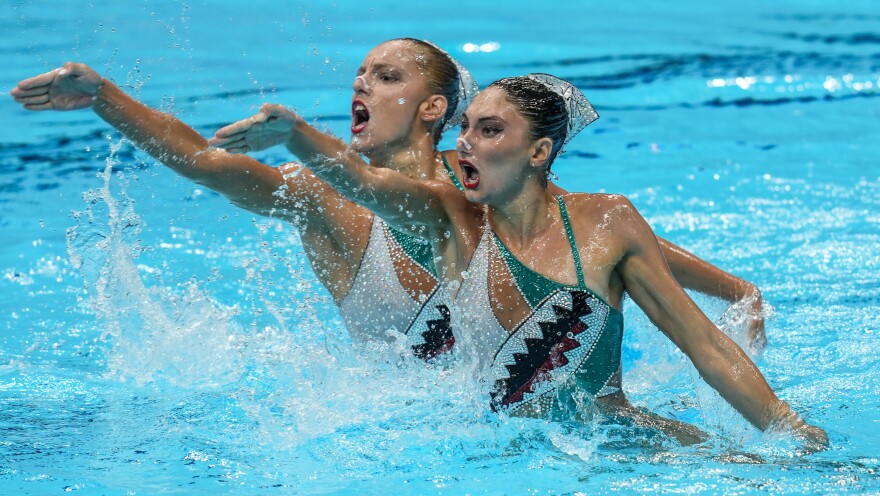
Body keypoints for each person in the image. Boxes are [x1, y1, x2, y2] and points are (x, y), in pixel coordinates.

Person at [274, 72, 827, 449]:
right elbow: (365, 183)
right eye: (465, 126)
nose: (464, 142)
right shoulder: (452, 213)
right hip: (494, 454)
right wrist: (297, 138)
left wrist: (785, 424)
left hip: (616, 442)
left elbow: (703, 344)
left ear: (538, 152)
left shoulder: (605, 223)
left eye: (490, 130)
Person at [10, 38, 478, 357]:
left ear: (432, 107)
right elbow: (204, 161)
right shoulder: (323, 196)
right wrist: (103, 96)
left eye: (387, 77)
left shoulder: (479, 182)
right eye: (360, 74)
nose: (361, 83)